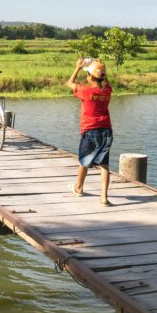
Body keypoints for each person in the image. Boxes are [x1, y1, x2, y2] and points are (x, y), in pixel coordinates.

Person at [66, 58, 113, 206]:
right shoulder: (107, 91)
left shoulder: (86, 91)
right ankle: (104, 197)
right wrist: (102, 70)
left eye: (88, 75)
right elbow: (106, 82)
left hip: (90, 130)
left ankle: (78, 187)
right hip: (106, 130)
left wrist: (77, 68)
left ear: (90, 77)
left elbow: (69, 83)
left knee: (84, 160)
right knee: (104, 164)